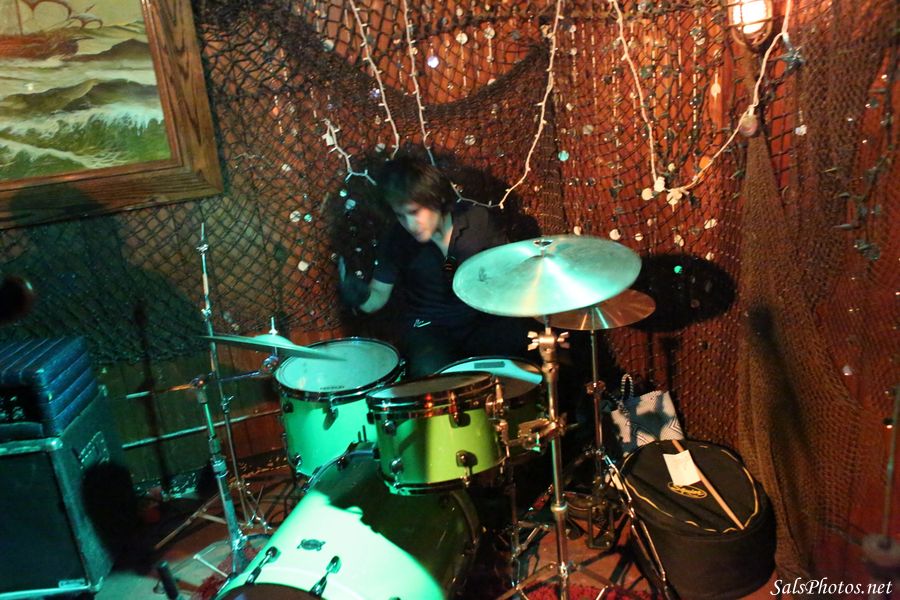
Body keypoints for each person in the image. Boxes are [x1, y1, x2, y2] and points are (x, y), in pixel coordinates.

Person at [339, 156, 531, 377]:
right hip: (429, 327)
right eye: (401, 215)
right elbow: (377, 297)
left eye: (415, 212)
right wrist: (360, 296)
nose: (410, 224)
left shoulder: (478, 220)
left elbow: (509, 271)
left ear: (436, 198)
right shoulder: (396, 239)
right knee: (428, 371)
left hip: (480, 320)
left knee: (520, 349)